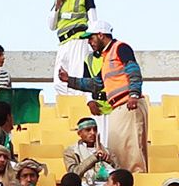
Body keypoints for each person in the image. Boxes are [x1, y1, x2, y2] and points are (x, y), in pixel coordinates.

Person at [60, 21, 149, 171]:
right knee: (119, 153)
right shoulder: (106, 57)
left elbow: (133, 70)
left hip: (128, 103)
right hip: (118, 107)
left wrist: (133, 94)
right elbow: (96, 84)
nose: (89, 42)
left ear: (101, 35)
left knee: (132, 152)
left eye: (91, 38)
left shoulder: (120, 48)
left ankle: (136, 184)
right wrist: (69, 80)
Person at [50, 0, 96, 93]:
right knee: (59, 82)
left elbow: (93, 18)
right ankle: (66, 110)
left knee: (77, 75)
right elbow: (51, 26)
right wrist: (57, 5)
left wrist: (93, 38)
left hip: (78, 40)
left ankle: (79, 108)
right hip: (63, 42)